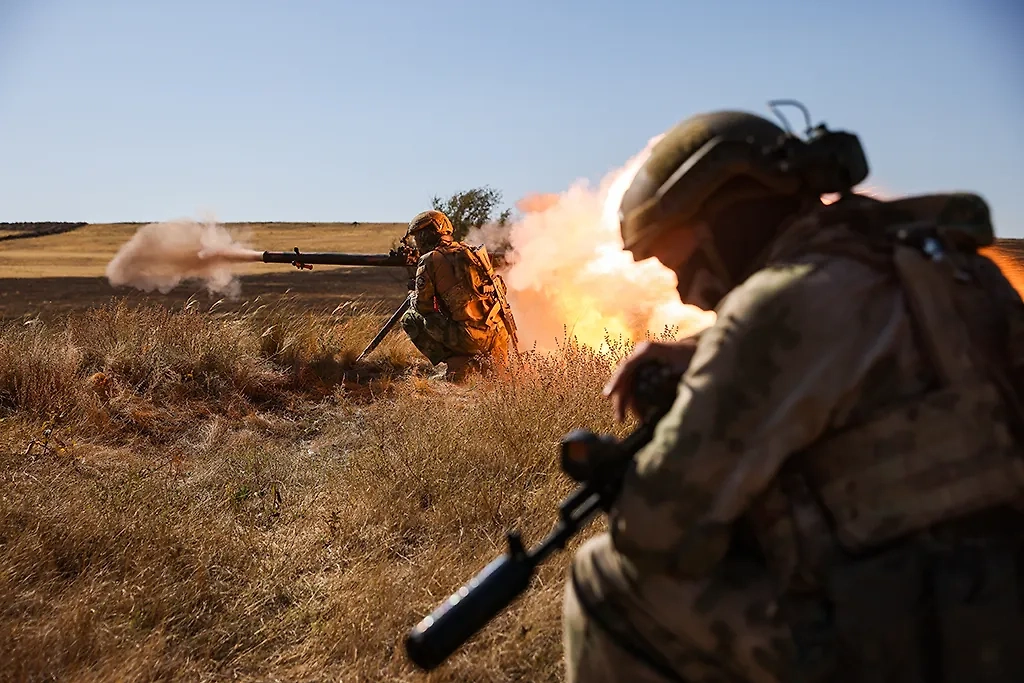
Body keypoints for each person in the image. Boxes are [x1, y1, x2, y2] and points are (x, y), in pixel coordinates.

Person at [562, 109, 1024, 682]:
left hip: (916, 642)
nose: (681, 285)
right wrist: (705, 350)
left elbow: (657, 533)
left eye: (675, 260)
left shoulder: (775, 310)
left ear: (722, 218)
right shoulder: (943, 266)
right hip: (1001, 605)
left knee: (604, 576)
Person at [399, 209, 518, 381]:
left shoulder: (430, 259)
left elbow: (423, 306)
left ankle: (457, 364)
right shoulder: (471, 251)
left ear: (426, 235)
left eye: (417, 237)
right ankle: (485, 364)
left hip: (471, 338)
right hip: (498, 335)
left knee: (410, 318)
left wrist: (414, 293)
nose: (417, 243)